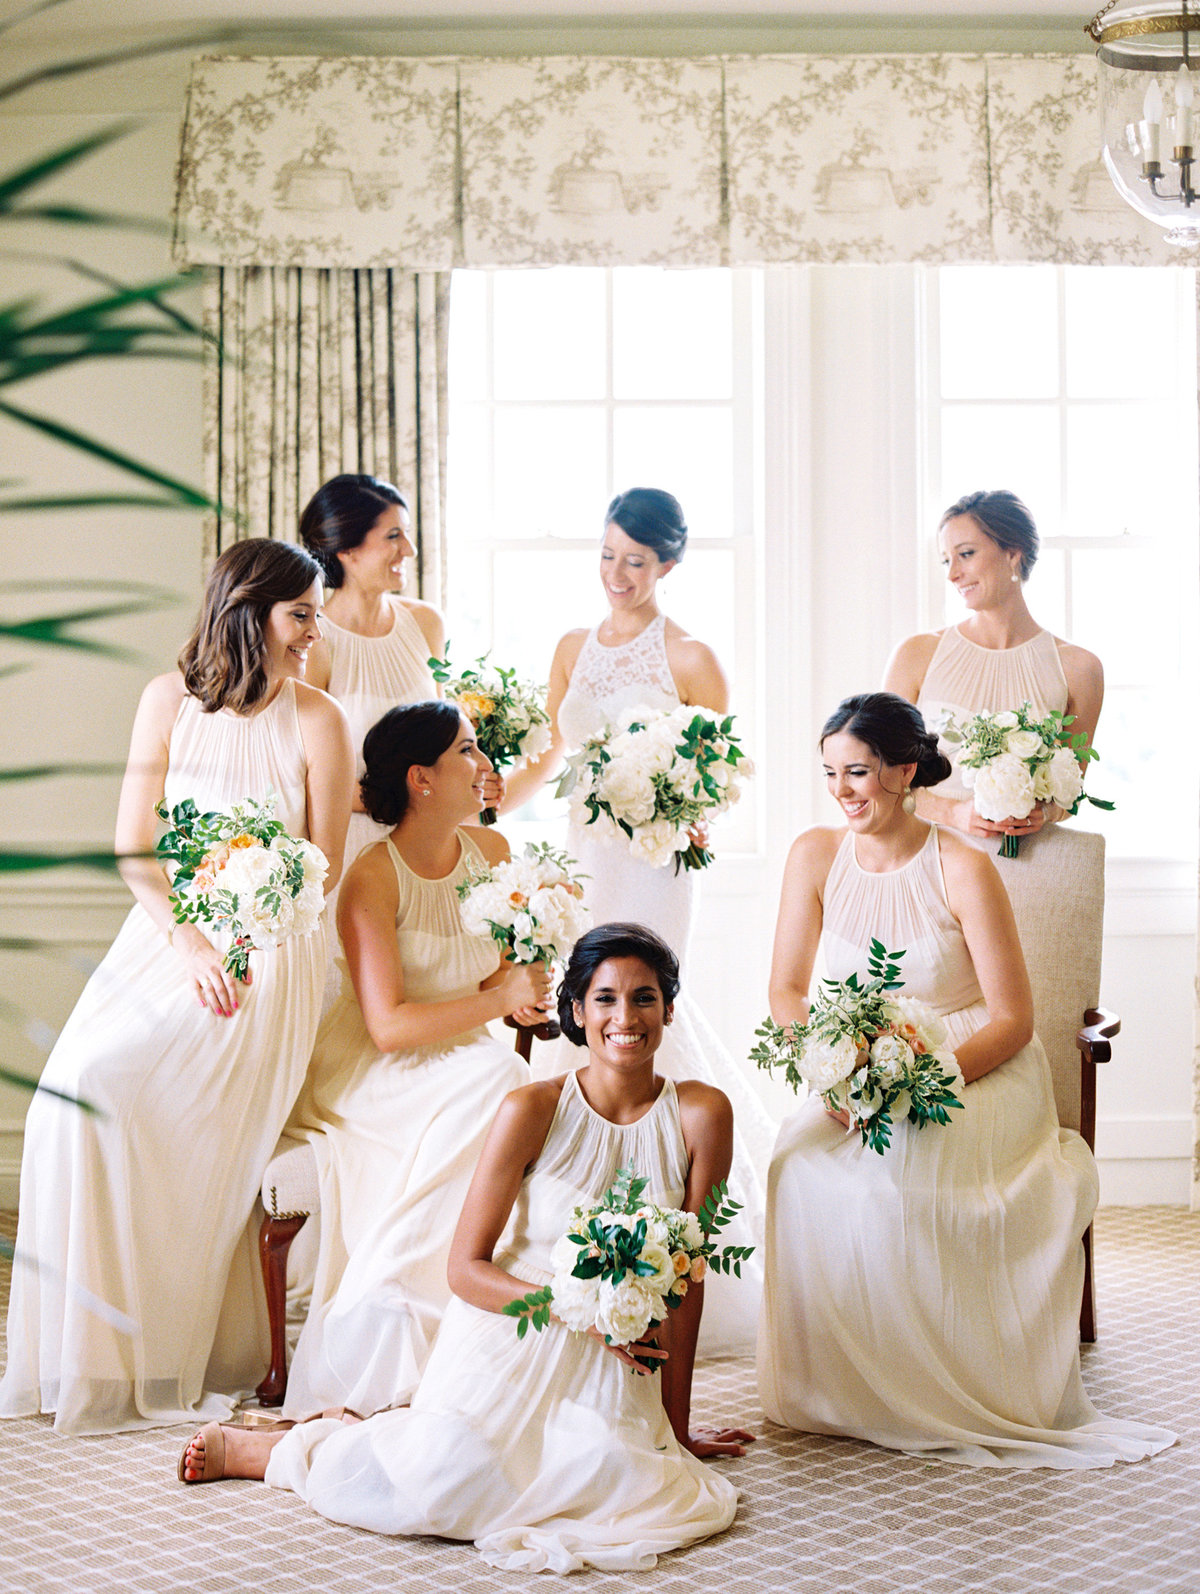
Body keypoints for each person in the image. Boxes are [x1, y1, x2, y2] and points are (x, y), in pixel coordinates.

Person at [179, 923, 752, 1575]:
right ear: (575, 1011)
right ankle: (289, 1450)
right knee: (446, 1484)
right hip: (514, 1325)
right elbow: (465, 1269)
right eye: (605, 998)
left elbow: (688, 1277)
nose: (626, 1017)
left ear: (669, 1009)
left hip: (616, 1354)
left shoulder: (703, 1115)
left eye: (644, 998)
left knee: (623, 1482)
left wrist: (675, 1432)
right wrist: (577, 1312)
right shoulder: (531, 1108)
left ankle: (363, 1427)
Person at [756, 692, 1176, 1468]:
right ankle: (843, 1388)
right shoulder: (813, 855)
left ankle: (933, 1384)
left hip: (972, 1064)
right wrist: (834, 1069)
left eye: (860, 772)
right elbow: (785, 991)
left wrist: (919, 1080)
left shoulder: (962, 865)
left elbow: (1014, 1018)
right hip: (856, 1063)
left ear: (906, 771)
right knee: (796, 1161)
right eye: (831, 774)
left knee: (903, 1172)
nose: (844, 790)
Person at [0, 539, 354, 1436]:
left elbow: (321, 871)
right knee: (68, 1101)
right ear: (249, 611)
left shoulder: (319, 720)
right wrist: (191, 941)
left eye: (315, 613)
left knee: (135, 1102)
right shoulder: (167, 700)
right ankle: (85, 1359)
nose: (317, 630)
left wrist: (244, 936)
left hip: (272, 954)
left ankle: (167, 1355)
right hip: (168, 940)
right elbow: (135, 849)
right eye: (302, 613)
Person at [501, 486, 772, 1349]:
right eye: (609, 555)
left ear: (670, 565)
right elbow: (555, 750)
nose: (618, 575)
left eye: (637, 561)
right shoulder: (572, 647)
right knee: (579, 1017)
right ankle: (579, 1203)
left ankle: (660, 1211)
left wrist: (674, 809)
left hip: (652, 870)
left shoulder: (690, 657)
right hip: (582, 858)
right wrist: (495, 801)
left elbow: (718, 781)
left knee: (641, 1016)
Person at [278, 700, 548, 1419]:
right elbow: (390, 1026)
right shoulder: (371, 878)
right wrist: (499, 1002)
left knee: (504, 1080)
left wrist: (519, 994)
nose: (485, 765)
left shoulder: (493, 855)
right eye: (467, 750)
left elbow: (491, 975)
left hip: (461, 1058)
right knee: (504, 1079)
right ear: (422, 778)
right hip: (373, 1068)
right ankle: (389, 1301)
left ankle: (463, 1317)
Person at [884, 489, 1104, 844]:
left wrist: (1042, 812)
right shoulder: (917, 654)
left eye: (966, 554)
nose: (953, 574)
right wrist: (952, 812)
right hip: (927, 857)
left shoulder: (1079, 668)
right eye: (946, 561)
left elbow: (1071, 791)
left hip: (1022, 868)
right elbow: (881, 777)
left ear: (1013, 553)